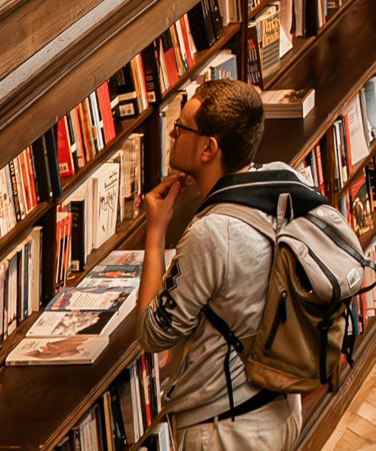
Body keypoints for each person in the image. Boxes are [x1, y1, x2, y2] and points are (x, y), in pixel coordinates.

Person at [140, 78, 364, 450]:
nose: (172, 136)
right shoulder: (285, 178)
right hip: (282, 406)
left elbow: (153, 333)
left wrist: (155, 231)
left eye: (180, 128)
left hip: (227, 429)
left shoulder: (211, 234)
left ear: (209, 148)